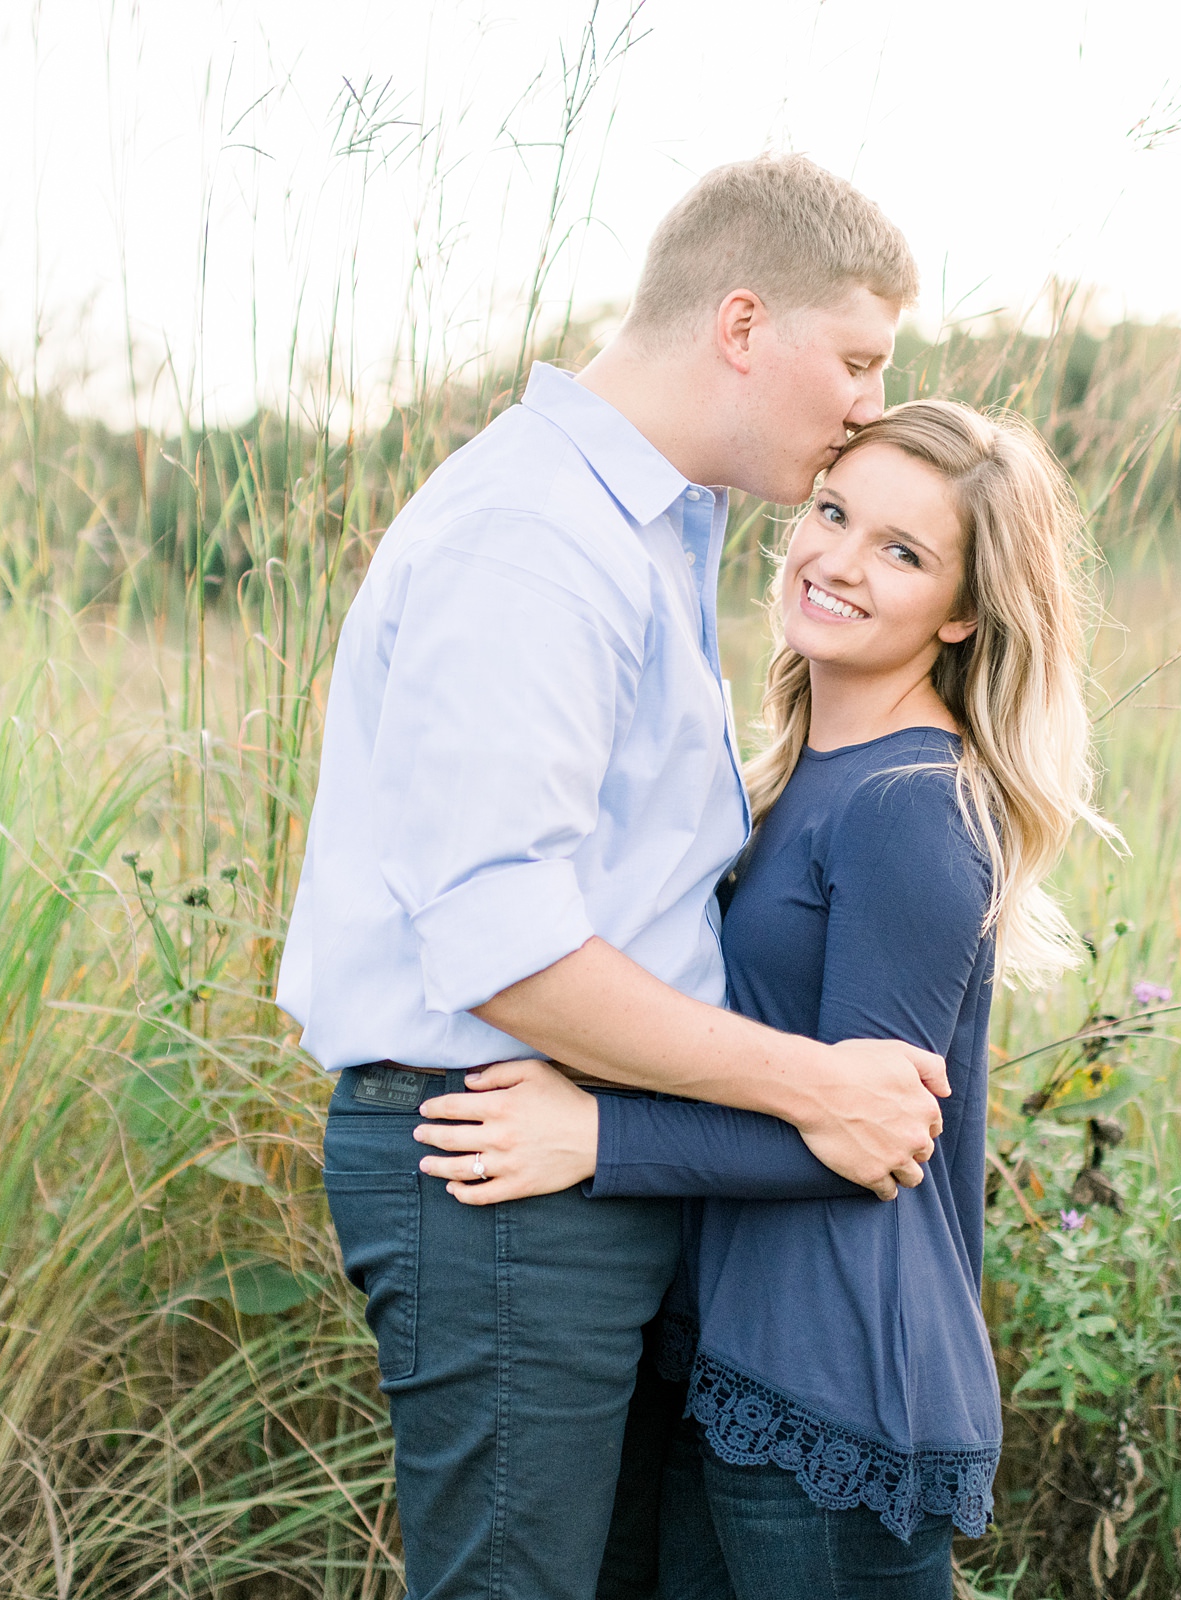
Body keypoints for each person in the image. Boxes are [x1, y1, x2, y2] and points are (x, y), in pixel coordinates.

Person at [275, 156, 954, 1600]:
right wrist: (808, 1083)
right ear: (743, 323)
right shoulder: (535, 538)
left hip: (595, 1144)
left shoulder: (644, 530)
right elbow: (506, 948)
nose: (867, 409)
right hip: (500, 1168)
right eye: (855, 360)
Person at [417, 399, 1111, 1597]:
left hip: (836, 1380)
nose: (839, 558)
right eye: (833, 513)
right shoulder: (796, 780)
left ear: (961, 612)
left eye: (902, 551)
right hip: (744, 1359)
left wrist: (598, 1135)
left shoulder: (910, 805)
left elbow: (873, 1138)